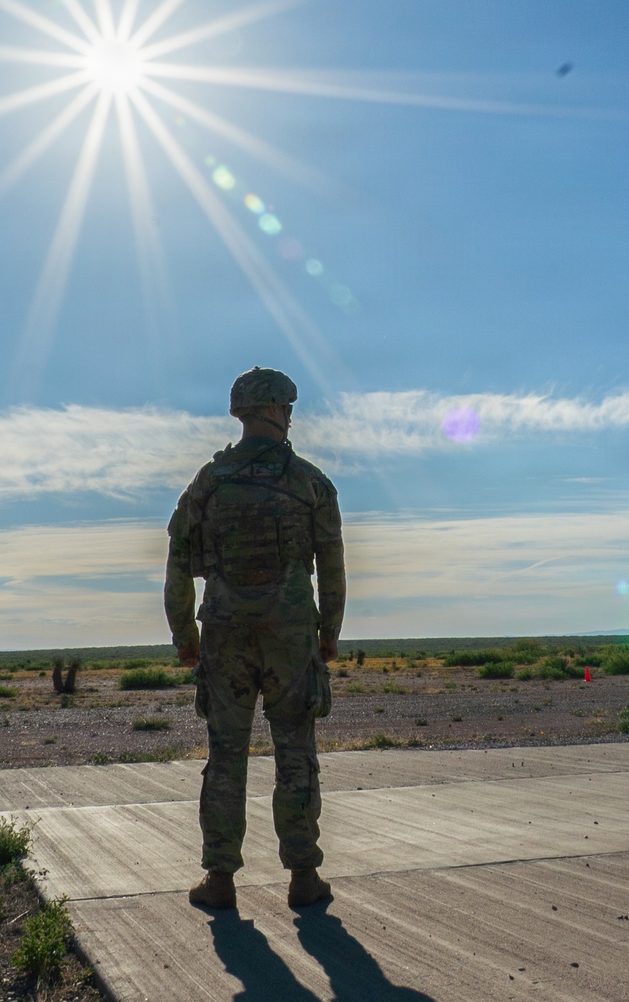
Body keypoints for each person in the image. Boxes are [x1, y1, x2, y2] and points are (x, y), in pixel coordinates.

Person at [164, 366, 346, 911]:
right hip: (290, 636)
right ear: (273, 410)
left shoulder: (208, 483)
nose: (290, 416)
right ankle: (303, 876)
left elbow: (176, 561)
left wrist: (183, 634)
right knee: (295, 752)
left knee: (226, 756)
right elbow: (333, 566)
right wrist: (328, 633)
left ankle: (220, 880)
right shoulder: (310, 482)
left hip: (225, 634)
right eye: (287, 407)